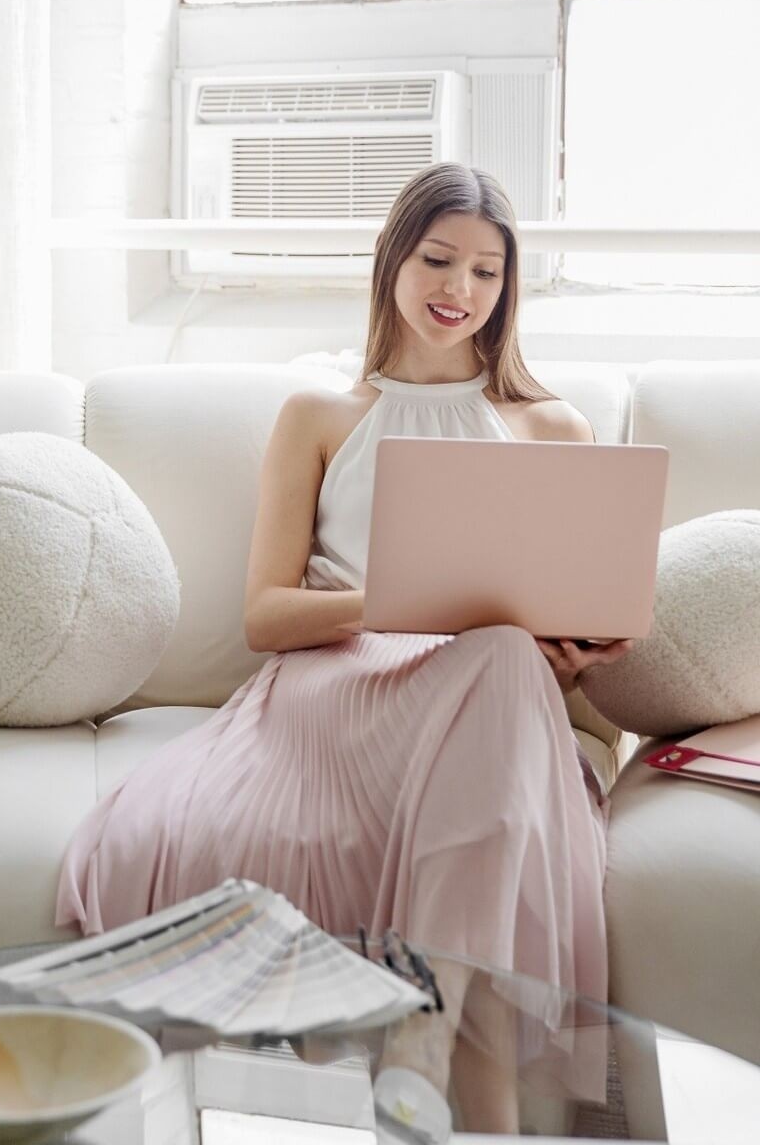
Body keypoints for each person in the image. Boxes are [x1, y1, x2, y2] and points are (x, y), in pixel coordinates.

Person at [56, 163, 631, 1131]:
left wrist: (569, 656)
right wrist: (408, 602)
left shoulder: (554, 425)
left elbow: (561, 621)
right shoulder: (321, 416)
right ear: (393, 262)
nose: (459, 290)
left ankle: (427, 1045)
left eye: (487, 272)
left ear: (510, 289)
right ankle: (443, 1054)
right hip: (339, 689)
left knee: (498, 656)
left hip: (489, 694)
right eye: (438, 260)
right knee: (493, 654)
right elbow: (267, 617)